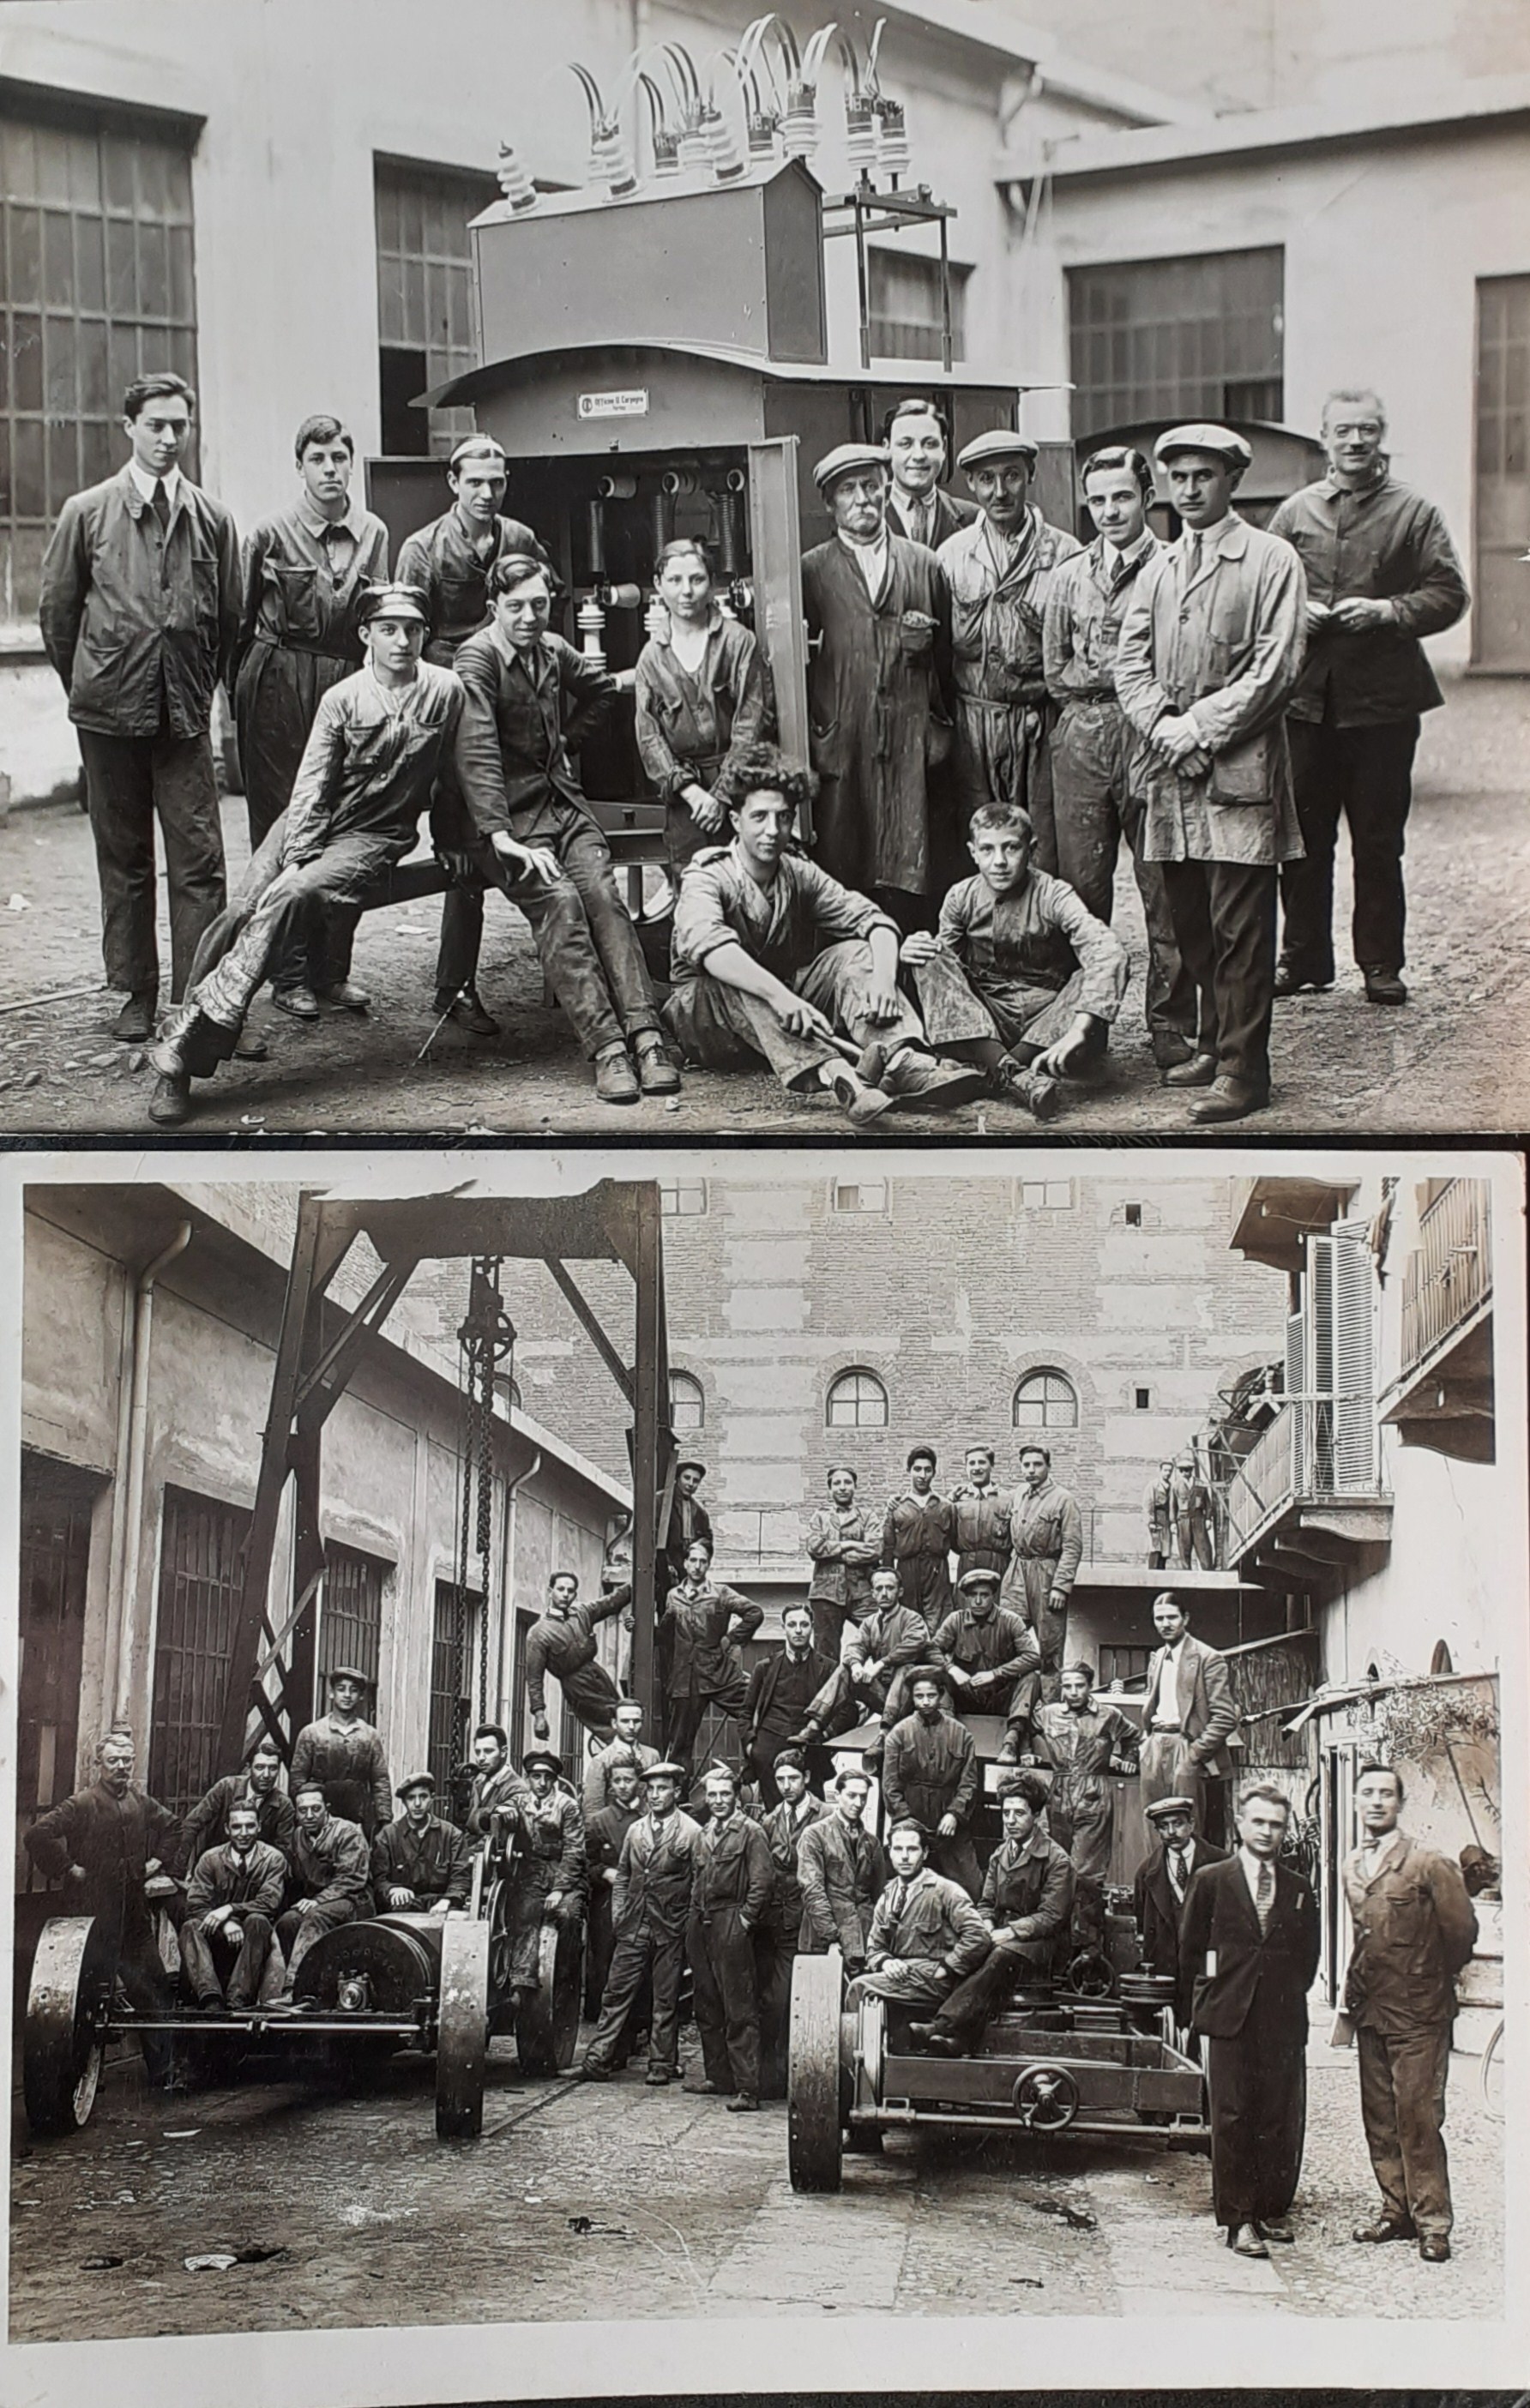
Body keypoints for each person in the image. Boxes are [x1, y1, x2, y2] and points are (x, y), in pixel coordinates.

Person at [144, 583, 528, 1125]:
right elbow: (311, 788)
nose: (402, 641)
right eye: (389, 629)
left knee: (294, 895)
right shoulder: (343, 698)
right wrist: (297, 854)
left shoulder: (446, 691)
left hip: (374, 835)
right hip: (308, 822)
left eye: (414, 629)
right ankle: (177, 1065)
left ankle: (192, 1042)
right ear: (365, 635)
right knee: (243, 909)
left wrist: (452, 841)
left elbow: (457, 773)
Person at [1114, 423, 1308, 1125]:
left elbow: (1276, 669)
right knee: (1188, 922)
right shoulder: (1159, 567)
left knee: (1240, 928)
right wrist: (1165, 728)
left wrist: (1200, 728)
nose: (1189, 490)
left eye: (1205, 477)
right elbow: (1127, 660)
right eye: (1179, 478)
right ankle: (1210, 1042)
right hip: (1170, 774)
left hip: (1238, 772)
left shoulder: (1270, 559)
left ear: (1233, 481)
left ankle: (1243, 1071)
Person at [39, 371, 238, 1044]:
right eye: (155, 424)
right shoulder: (87, 511)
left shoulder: (212, 517)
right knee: (122, 859)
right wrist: (96, 681)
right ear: (129, 428)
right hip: (107, 717)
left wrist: (198, 683)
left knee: (199, 860)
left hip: (181, 715)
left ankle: (198, 997)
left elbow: (230, 620)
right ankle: (135, 992)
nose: (168, 437)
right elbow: (57, 615)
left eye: (179, 424)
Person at [450, 552, 682, 1104]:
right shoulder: (475, 660)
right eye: (515, 607)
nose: (529, 617)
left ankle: (647, 1038)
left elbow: (601, 689)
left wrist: (567, 744)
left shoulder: (551, 651)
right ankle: (607, 1048)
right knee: (559, 903)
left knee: (603, 896)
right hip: (507, 824)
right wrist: (498, 835)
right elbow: (475, 750)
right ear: (492, 608)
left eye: (539, 604)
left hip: (563, 808)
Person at [1270, 389, 1469, 1006]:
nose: (1355, 442)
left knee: (1379, 839)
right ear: (1323, 437)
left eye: (1367, 430)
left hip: (1383, 705)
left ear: (1381, 436)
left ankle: (1381, 962)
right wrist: (1292, 611)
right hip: (1304, 703)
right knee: (1303, 839)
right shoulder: (1295, 513)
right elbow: (1261, 586)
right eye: (1343, 431)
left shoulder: (1414, 512)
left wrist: (1387, 611)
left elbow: (1449, 593)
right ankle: (1304, 959)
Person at [663, 745, 984, 1123]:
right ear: (736, 821)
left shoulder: (797, 871)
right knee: (741, 981)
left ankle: (901, 1059)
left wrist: (882, 980)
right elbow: (713, 950)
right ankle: (842, 1077)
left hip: (785, 1018)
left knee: (853, 953)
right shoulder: (707, 875)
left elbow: (874, 922)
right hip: (707, 1019)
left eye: (783, 818)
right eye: (759, 817)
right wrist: (782, 998)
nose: (772, 830)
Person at [1044, 443, 1200, 1073]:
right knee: (1082, 893)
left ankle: (1168, 1023)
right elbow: (1054, 667)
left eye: (1123, 497)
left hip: (1150, 736)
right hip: (1082, 732)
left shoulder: (1173, 570)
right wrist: (1089, 707)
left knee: (1164, 885)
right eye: (1099, 499)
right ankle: (1089, 1025)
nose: (1110, 510)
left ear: (1147, 499)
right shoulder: (1066, 576)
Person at [231, 412, 390, 1016]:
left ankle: (331, 970)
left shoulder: (374, 531)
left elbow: (378, 617)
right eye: (317, 459)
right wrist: (238, 700)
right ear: (299, 466)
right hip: (278, 682)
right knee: (283, 826)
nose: (330, 470)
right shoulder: (270, 533)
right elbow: (238, 619)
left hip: (345, 681)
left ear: (351, 463)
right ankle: (287, 974)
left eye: (339, 458)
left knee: (347, 820)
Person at [395, 434, 548, 1036]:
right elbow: (405, 632)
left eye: (498, 481)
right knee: (462, 853)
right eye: (476, 481)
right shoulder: (422, 549)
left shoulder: (521, 540)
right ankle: (454, 988)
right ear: (453, 482)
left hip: (509, 694)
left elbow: (538, 609)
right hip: (450, 697)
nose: (487, 492)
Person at [801, 442, 952, 935]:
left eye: (870, 486)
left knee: (912, 856)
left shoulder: (924, 563)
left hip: (909, 735)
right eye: (848, 490)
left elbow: (948, 661)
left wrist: (940, 726)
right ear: (829, 503)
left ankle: (912, 966)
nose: (863, 499)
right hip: (844, 734)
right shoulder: (811, 570)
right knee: (845, 851)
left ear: (886, 489)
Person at [902, 804, 1129, 1119]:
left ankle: (990, 1072)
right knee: (929, 954)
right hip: (987, 1018)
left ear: (1031, 849)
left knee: (1088, 972)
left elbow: (1108, 950)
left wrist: (1079, 1029)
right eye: (987, 849)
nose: (999, 862)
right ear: (973, 852)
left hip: (1046, 1019)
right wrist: (913, 951)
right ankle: (1014, 1075)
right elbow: (950, 975)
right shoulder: (960, 896)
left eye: (1011, 848)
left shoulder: (1054, 894)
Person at [1341, 1762, 1479, 2262]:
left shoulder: (1427, 1862)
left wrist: (1430, 1978)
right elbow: (1362, 1936)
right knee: (1379, 2117)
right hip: (1372, 2011)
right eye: (1367, 1793)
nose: (1376, 1802)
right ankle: (1395, 2211)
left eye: (1386, 1794)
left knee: (1418, 2116)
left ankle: (1433, 2223)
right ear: (1356, 1802)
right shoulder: (1353, 1865)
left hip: (1420, 2014)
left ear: (1400, 1804)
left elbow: (1461, 1932)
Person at [1178, 1783, 1321, 2258]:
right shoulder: (1212, 1880)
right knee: (1232, 2117)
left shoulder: (1299, 1889)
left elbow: (1307, 1958)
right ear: (1240, 1824)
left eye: (1276, 1824)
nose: (1267, 1832)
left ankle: (1263, 2210)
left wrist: (1281, 1996)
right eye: (1258, 1822)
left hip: (1279, 2018)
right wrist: (1201, 2005)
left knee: (1272, 2117)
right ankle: (1236, 2221)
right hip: (1228, 2016)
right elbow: (1192, 1949)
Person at [937, 430, 1082, 858]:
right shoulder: (950, 557)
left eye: (1012, 477)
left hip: (1041, 725)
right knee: (980, 844)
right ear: (971, 485)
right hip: (972, 728)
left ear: (1031, 475)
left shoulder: (1066, 555)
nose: (999, 491)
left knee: (1042, 845)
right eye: (986, 479)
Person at [24, 1731, 180, 2080]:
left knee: (153, 1987)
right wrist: (68, 1868)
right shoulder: (81, 1804)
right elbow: (37, 1835)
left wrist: (157, 1862)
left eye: (127, 1761)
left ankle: (165, 2071)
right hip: (92, 1916)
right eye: (113, 1761)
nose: (121, 1767)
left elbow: (173, 1827)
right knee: (84, 2000)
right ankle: (76, 2079)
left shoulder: (140, 1802)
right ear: (99, 1764)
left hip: (134, 1914)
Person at [634, 537, 774, 881]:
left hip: (740, 791)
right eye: (675, 581)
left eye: (696, 580)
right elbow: (649, 737)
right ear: (658, 585)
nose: (686, 592)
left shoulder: (738, 642)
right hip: (686, 800)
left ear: (711, 583)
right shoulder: (651, 658)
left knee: (747, 884)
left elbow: (751, 724)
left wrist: (722, 796)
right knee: (691, 887)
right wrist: (692, 794)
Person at [910, 1775, 1074, 2055]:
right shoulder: (1000, 1855)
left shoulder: (1057, 1860)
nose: (1010, 1820)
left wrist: (1008, 1932)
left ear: (1036, 1815)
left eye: (1019, 1813)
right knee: (969, 1946)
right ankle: (960, 2041)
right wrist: (985, 1925)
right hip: (1003, 1936)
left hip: (1043, 1947)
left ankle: (942, 2025)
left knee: (999, 1956)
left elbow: (1052, 1916)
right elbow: (986, 1903)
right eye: (1006, 1813)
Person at [579, 1760, 701, 2086]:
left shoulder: (691, 1832)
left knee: (665, 1997)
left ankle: (661, 2063)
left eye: (663, 1789)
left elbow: (698, 1885)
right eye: (651, 1789)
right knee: (615, 1992)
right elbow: (623, 1878)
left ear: (676, 1792)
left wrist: (686, 1926)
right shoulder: (637, 1830)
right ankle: (597, 2059)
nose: (656, 1795)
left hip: (670, 1926)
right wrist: (620, 1917)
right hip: (634, 1925)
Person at [1022, 1663, 1140, 1955]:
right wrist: (1026, 1753)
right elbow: (1025, 1728)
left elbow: (1133, 1736)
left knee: (1086, 1874)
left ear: (1090, 1687)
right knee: (1058, 1869)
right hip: (1059, 1795)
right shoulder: (1048, 1714)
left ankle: (1089, 1948)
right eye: (1067, 1686)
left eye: (1079, 1686)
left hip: (1093, 1794)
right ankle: (1059, 1944)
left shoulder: (1108, 1715)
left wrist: (1129, 1759)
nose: (1073, 1692)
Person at [685, 1763, 774, 2110]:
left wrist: (745, 1921)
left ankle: (747, 2089)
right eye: (713, 1795)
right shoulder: (704, 1832)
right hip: (701, 1922)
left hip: (731, 1920)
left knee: (740, 2007)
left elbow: (762, 1882)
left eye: (725, 1794)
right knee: (706, 2001)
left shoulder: (751, 1832)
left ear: (736, 1796)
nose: (718, 1801)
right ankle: (717, 2076)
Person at [846, 1819, 990, 2011]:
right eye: (898, 1849)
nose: (904, 1857)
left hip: (936, 1979)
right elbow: (875, 1946)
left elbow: (979, 1936)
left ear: (925, 1853)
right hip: (902, 1976)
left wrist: (947, 1967)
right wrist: (886, 1962)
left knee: (860, 1988)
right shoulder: (888, 1895)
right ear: (890, 1853)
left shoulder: (944, 1890)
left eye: (912, 1849)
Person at [794, 1566, 941, 1751]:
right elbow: (855, 1647)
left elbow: (915, 1644)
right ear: (873, 1593)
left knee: (906, 1668)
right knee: (845, 1669)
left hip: (911, 1698)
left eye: (890, 1588)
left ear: (900, 1591)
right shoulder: (870, 1623)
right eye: (879, 1589)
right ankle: (814, 1726)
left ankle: (884, 1735)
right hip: (883, 1695)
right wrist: (856, 1666)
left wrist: (881, 1663)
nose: (884, 1593)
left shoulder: (912, 1619)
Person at [756, 1748, 828, 2097]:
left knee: (794, 2000)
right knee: (771, 2000)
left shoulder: (825, 1816)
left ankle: (794, 2077)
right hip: (774, 1920)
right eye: (781, 1779)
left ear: (807, 1779)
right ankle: (772, 2076)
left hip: (809, 1919)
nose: (786, 1786)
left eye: (793, 1779)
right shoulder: (770, 1821)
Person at [659, 1538, 763, 1765]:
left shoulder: (721, 1593)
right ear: (685, 1563)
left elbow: (754, 1613)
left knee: (758, 1711)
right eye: (693, 1560)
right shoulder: (672, 1596)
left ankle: (758, 1769)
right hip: (685, 1681)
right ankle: (679, 1795)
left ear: (708, 1565)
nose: (697, 1566)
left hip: (719, 1673)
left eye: (703, 1562)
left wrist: (730, 1639)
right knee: (679, 1745)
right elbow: (665, 1637)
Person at [1138, 1592, 1239, 1827]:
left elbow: (1225, 1717)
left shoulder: (1208, 1658)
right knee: (1153, 1826)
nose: (1165, 1624)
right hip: (1155, 1746)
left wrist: (1194, 1755)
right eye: (1159, 1619)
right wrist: (1146, 1743)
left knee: (1187, 1827)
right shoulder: (1158, 1657)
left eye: (1172, 1617)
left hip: (1186, 1746)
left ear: (1186, 1618)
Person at [881, 1669, 982, 1897]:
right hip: (910, 1823)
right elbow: (890, 1785)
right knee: (896, 1889)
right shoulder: (898, 1734)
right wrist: (905, 1820)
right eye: (919, 1696)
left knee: (972, 1889)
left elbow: (969, 1783)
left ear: (941, 1695)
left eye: (931, 1695)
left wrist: (954, 1814)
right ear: (912, 1697)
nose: (925, 1702)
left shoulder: (961, 1734)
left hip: (951, 1828)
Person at [178, 1801, 288, 2008]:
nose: (243, 1833)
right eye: (237, 1827)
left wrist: (230, 1909)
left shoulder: (273, 1859)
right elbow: (195, 1905)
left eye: (249, 1826)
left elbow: (269, 1903)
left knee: (258, 1920)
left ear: (259, 1827)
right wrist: (225, 1923)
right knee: (191, 1926)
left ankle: (237, 2000)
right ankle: (210, 1998)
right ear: (227, 1829)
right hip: (218, 1934)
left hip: (253, 1938)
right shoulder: (210, 1859)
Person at [1001, 1442, 1085, 1707]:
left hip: (1048, 1573)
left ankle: (1050, 1710)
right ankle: (1009, 1704)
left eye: (1037, 1464)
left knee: (1049, 1648)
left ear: (1048, 1466)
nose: (1031, 1470)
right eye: (1026, 1465)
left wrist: (1061, 1586)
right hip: (1017, 1571)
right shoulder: (1018, 1494)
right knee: (1005, 1636)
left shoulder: (1064, 1499)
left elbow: (1073, 1546)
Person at [503, 1749, 586, 2008]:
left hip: (565, 1873)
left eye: (546, 1778)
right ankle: (522, 1983)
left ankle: (564, 1979)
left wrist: (560, 1889)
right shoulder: (519, 1803)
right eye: (535, 1777)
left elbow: (575, 1850)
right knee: (525, 1913)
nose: (541, 1783)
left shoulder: (567, 1806)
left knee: (568, 1916)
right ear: (528, 1779)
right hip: (533, 1872)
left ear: (555, 1781)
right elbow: (483, 1818)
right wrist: (498, 1814)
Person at [931, 1568, 1043, 1758]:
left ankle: (1011, 1741)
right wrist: (952, 1669)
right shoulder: (955, 1620)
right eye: (973, 1595)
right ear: (966, 1597)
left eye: (984, 1595)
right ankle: (947, 1739)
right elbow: (930, 1649)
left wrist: (996, 1673)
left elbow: (1033, 1657)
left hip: (999, 1697)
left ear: (994, 1596)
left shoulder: (1010, 1620)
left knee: (1032, 1678)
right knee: (940, 1677)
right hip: (966, 1695)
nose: (978, 1601)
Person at [276, 1782, 371, 1989]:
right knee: (287, 1922)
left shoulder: (347, 1832)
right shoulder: (297, 1837)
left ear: (326, 1807)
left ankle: (294, 1987)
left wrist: (317, 1900)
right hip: (317, 1902)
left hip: (352, 1901)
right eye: (303, 1810)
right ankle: (314, 1983)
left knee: (315, 1916)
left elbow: (351, 1878)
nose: (309, 1815)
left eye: (316, 1808)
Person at [1132, 1793, 1229, 1992]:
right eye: (1163, 1826)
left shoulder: (1221, 1864)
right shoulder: (1146, 1872)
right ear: (1157, 1831)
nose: (1171, 1832)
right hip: (1166, 1975)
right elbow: (1142, 1924)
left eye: (1178, 1824)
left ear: (1191, 1824)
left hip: (1208, 1969)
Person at [741, 1604, 837, 1803]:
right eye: (792, 1625)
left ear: (812, 1626)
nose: (799, 1630)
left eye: (804, 1624)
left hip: (810, 1752)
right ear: (783, 1627)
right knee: (775, 1815)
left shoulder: (828, 1668)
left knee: (813, 1813)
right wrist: (752, 1747)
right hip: (768, 1754)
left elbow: (848, 1712)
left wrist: (826, 1736)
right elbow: (745, 1713)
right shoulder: (765, 1668)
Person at [797, 1768, 888, 1973]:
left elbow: (879, 1895)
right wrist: (830, 1938)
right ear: (837, 1796)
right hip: (825, 1941)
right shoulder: (814, 1836)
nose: (858, 1803)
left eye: (863, 1797)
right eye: (851, 1795)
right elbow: (812, 1891)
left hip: (863, 1939)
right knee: (822, 1999)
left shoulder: (871, 1843)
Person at [525, 1570, 632, 1744]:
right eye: (561, 1589)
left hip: (598, 1677)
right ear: (550, 1591)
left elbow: (611, 1602)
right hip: (578, 1688)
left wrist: (637, 1581)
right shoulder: (538, 1634)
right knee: (615, 1729)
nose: (566, 1594)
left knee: (625, 1717)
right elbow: (534, 1679)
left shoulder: (581, 1613)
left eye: (570, 1591)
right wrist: (539, 1716)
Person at [289, 1665, 393, 1839]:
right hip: (321, 1816)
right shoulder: (313, 1733)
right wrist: (305, 1815)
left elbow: (380, 1781)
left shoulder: (369, 1735)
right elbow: (297, 1779)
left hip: (358, 1816)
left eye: (353, 1691)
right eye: (341, 1689)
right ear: (331, 1694)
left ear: (360, 1697)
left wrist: (384, 1819)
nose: (347, 1695)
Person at [178, 1735, 297, 1875]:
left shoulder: (284, 1806)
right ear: (248, 1767)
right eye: (260, 1767)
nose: (266, 1775)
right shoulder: (226, 1788)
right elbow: (192, 1823)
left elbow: (282, 1851)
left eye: (272, 1768)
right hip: (214, 1870)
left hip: (255, 1875)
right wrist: (179, 1869)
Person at [584, 1760, 646, 2026]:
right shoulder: (598, 1822)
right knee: (604, 1959)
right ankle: (601, 2022)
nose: (623, 1786)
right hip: (606, 1902)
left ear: (639, 1784)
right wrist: (602, 1873)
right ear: (610, 1784)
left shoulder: (647, 1819)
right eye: (617, 1780)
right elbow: (584, 1863)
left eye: (628, 1780)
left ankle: (636, 2026)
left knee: (640, 1961)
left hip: (641, 1900)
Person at [804, 1466, 883, 1659]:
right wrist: (849, 1544)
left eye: (847, 1482)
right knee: (826, 1652)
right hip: (825, 1592)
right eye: (837, 1483)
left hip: (862, 1591)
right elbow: (814, 1548)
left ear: (855, 1486)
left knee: (880, 1639)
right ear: (830, 1489)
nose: (842, 1487)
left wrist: (835, 1554)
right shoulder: (820, 1517)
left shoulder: (867, 1517)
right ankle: (829, 1689)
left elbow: (874, 1550)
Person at [883, 397, 979, 551]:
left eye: (930, 444)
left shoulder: (973, 519)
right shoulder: (861, 517)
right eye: (905, 444)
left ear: (944, 447)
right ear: (887, 449)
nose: (919, 455)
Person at [370, 1773, 472, 1914]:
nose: (417, 1804)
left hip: (441, 1907)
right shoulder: (387, 1837)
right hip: (401, 1909)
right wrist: (392, 1889)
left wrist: (448, 1900)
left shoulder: (452, 1835)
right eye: (411, 1798)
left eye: (423, 1797)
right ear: (404, 1802)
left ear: (432, 1798)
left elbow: (461, 1878)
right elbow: (378, 1880)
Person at [882, 1446, 955, 1628]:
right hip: (906, 1572)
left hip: (937, 1573)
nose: (922, 1475)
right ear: (909, 1471)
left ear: (934, 1473)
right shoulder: (896, 1507)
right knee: (907, 1626)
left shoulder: (945, 1506)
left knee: (939, 1628)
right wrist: (887, 1579)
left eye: (928, 1470)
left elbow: (954, 1539)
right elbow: (888, 1547)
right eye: (917, 1469)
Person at [581, 1700, 659, 1818]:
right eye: (625, 1721)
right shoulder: (601, 1760)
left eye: (636, 1721)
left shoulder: (652, 1756)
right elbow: (592, 1811)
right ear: (614, 1723)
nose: (631, 1727)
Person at [948, 1447, 1013, 1583]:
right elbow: (950, 1537)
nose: (976, 1468)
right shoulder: (957, 1501)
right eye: (971, 1463)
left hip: (999, 1566)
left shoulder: (1008, 1500)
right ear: (966, 1467)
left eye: (982, 1462)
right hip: (967, 1565)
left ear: (992, 1465)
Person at [463, 1722, 533, 1843]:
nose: (481, 1758)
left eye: (488, 1751)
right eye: (478, 1752)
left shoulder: (517, 1787)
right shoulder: (479, 1781)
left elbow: (500, 1831)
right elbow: (470, 1823)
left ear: (504, 1752)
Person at [664, 1460, 713, 1595]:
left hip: (689, 1564)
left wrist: (698, 1548)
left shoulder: (700, 1512)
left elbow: (708, 1539)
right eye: (687, 1478)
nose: (691, 1484)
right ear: (677, 1478)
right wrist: (666, 1563)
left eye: (695, 1481)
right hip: (665, 1564)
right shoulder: (662, 1503)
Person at [1169, 1448, 1216, 1568]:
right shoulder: (1176, 1486)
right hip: (1183, 1520)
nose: (1186, 1472)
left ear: (1192, 1470)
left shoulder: (1200, 1484)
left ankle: (1208, 1571)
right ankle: (1186, 1573)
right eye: (1183, 1470)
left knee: (1203, 1546)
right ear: (1179, 1471)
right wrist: (1173, 1522)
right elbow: (1172, 1506)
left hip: (1198, 1518)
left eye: (1188, 1470)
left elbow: (1208, 1503)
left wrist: (1208, 1518)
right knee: (1184, 1547)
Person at [1145, 1460, 1174, 1569]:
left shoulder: (1171, 1487)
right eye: (1165, 1470)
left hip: (1166, 1519)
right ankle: (1153, 1574)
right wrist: (1151, 1522)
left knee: (1165, 1550)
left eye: (1170, 1471)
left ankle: (1162, 1573)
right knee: (1155, 1548)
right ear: (1160, 1471)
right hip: (1156, 1518)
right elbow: (1148, 1505)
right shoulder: (1153, 1485)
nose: (1168, 1473)